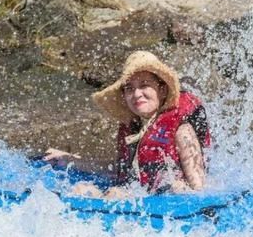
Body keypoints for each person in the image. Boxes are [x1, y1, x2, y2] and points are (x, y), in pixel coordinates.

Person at [44, 51, 210, 196]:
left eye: (144, 85)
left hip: (163, 204)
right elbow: (119, 169)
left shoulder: (183, 131)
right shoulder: (132, 129)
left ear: (162, 90)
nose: (137, 94)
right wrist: (70, 160)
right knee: (81, 189)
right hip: (135, 195)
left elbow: (199, 190)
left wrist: (178, 189)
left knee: (116, 194)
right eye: (129, 88)